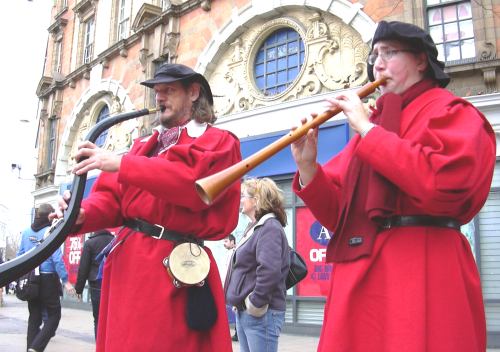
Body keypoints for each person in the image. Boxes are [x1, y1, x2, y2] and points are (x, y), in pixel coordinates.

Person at [290, 20, 496, 351]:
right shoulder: (375, 123)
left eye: (390, 52)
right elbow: (338, 215)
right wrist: (308, 167)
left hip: (423, 267)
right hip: (363, 275)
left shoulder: (453, 111)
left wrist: (368, 131)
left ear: (420, 61)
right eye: (375, 55)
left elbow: (442, 185)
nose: (378, 64)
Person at [51, 63, 242, 351]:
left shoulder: (218, 141)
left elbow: (191, 186)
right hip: (129, 268)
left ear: (193, 93)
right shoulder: (142, 147)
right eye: (157, 92)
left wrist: (123, 164)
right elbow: (113, 200)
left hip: (174, 269)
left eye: (169, 91)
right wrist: (81, 214)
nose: (159, 98)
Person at [225, 178, 290, 352]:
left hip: (261, 313)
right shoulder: (255, 228)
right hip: (248, 312)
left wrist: (254, 303)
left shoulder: (269, 228)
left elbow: (269, 271)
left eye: (244, 196)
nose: (241, 200)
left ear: (257, 200)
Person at [17, 203, 75, 352]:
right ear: (50, 216)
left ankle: (30, 348)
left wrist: (17, 277)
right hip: (48, 278)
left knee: (34, 318)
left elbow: (20, 256)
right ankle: (36, 348)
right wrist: (65, 280)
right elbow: (56, 259)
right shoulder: (50, 232)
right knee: (54, 315)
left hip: (31, 279)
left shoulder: (25, 233)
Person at [74, 229, 114, 338]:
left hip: (96, 285)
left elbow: (83, 269)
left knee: (98, 319)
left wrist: (78, 289)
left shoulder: (90, 243)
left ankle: (100, 346)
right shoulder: (115, 241)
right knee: (111, 318)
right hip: (113, 285)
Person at [221, 234, 238, 341]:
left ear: (232, 242)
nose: (224, 244)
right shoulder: (229, 253)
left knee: (234, 309)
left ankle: (238, 333)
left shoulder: (235, 252)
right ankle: (236, 333)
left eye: (226, 241)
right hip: (227, 285)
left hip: (232, 286)